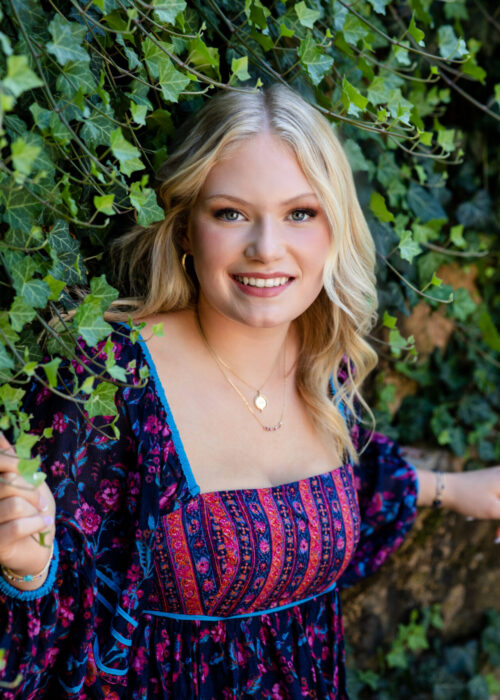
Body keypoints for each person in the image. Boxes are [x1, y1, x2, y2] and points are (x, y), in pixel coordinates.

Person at [0, 84, 499, 700]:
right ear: (185, 227)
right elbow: (64, 610)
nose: (267, 248)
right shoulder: (111, 380)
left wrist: (463, 490)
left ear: (334, 228)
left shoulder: (322, 364)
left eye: (300, 213)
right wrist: (27, 572)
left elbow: (330, 503)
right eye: (231, 213)